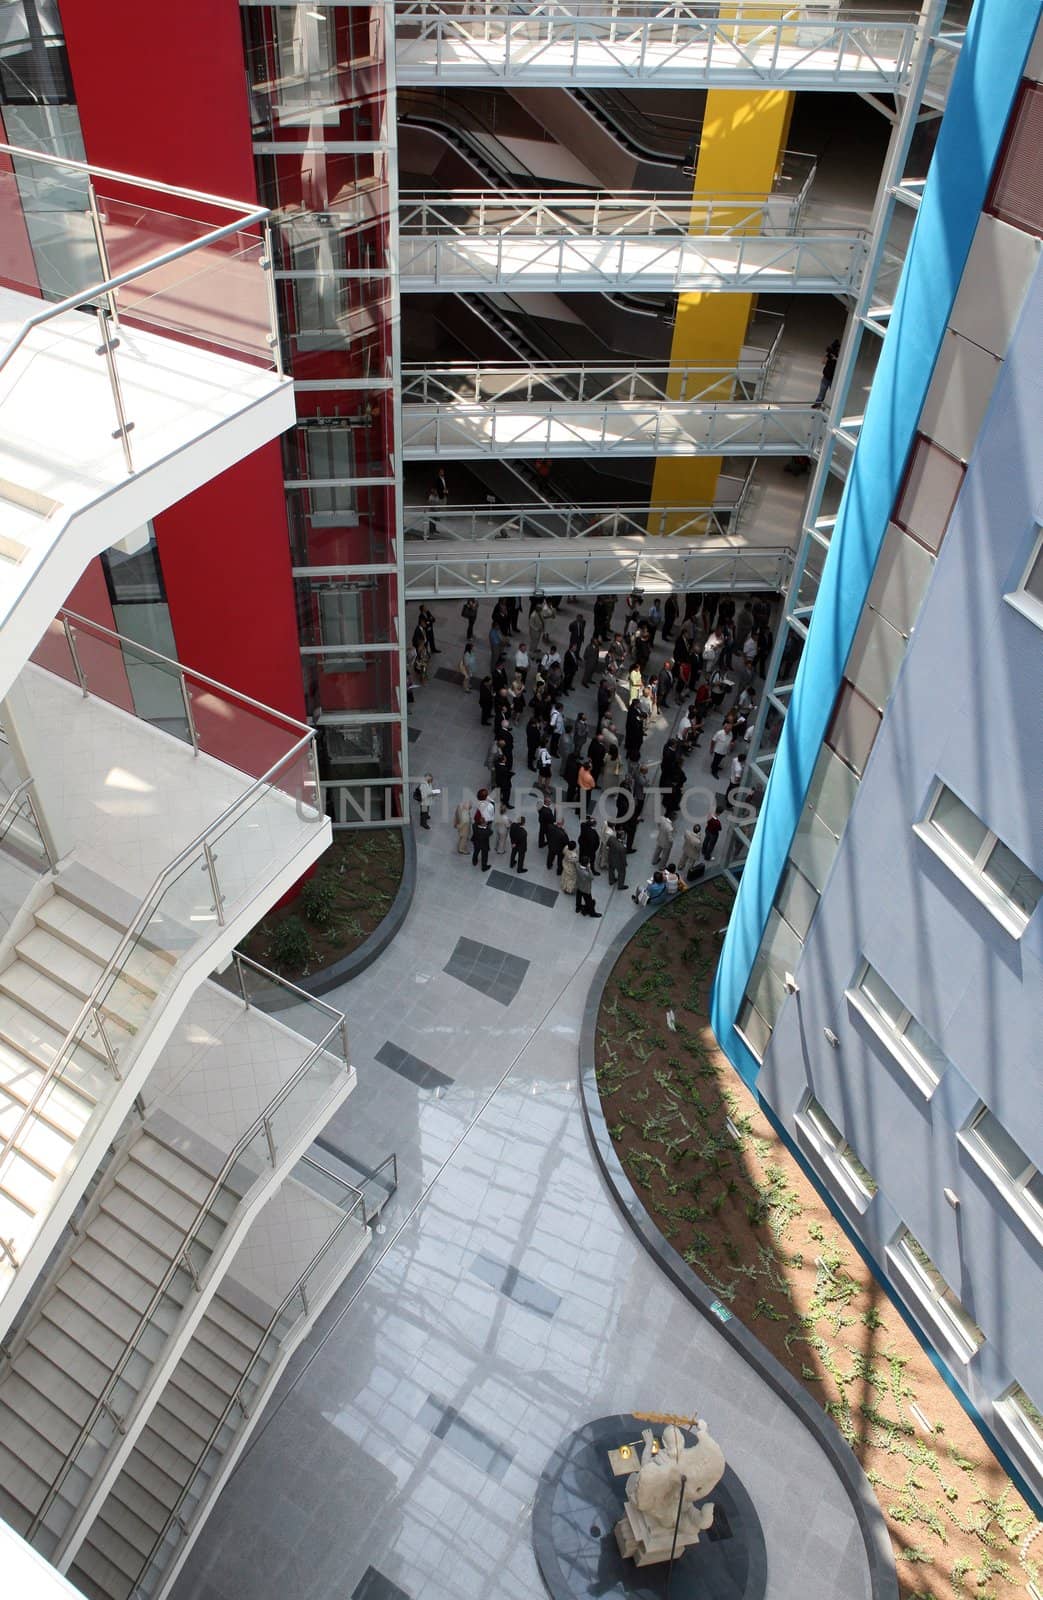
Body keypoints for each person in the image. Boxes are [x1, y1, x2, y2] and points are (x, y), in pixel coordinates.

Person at [814, 338, 840, 407]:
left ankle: (835, 407)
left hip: (833, 379)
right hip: (826, 377)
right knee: (821, 392)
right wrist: (827, 355)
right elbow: (823, 362)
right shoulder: (829, 355)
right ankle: (817, 404)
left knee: (835, 394)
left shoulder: (839, 357)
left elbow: (842, 365)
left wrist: (836, 359)